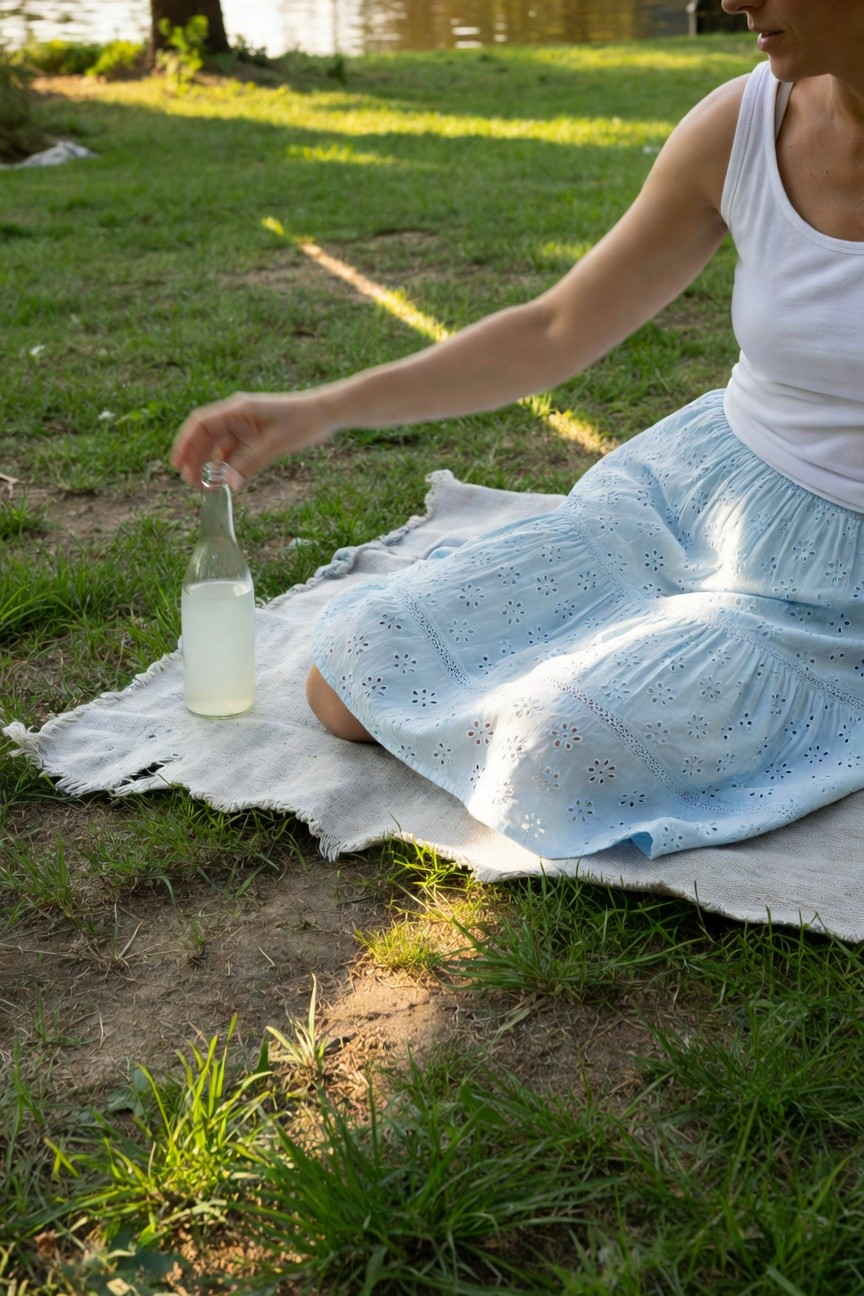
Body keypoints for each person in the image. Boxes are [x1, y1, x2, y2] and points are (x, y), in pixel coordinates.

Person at [172, 0, 864, 861]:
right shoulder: (742, 121)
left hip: (836, 588)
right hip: (704, 495)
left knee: (546, 757)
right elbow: (554, 329)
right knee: (352, 672)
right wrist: (317, 409)